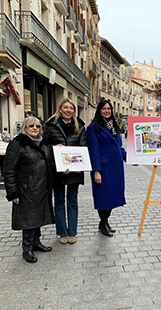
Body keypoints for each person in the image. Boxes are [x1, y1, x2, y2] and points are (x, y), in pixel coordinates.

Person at [3, 117, 55, 263]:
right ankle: (27, 249)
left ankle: (36, 242)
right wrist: (12, 192)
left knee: (38, 215)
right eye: (31, 125)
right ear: (24, 127)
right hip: (26, 188)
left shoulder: (44, 144)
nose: (35, 128)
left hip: (42, 187)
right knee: (28, 218)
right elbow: (9, 170)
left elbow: (50, 162)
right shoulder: (17, 144)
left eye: (38, 126)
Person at [43, 99, 87, 245]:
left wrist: (82, 164)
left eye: (71, 108)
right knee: (59, 201)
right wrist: (55, 146)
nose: (68, 110)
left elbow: (83, 146)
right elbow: (44, 145)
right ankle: (62, 232)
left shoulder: (79, 126)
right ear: (60, 109)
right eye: (65, 107)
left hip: (75, 169)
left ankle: (72, 232)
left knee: (73, 201)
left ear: (74, 110)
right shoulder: (50, 125)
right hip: (57, 169)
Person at [86, 99, 127, 237]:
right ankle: (103, 223)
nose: (107, 111)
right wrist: (96, 171)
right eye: (104, 108)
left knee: (112, 197)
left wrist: (130, 158)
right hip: (103, 169)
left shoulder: (114, 127)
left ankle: (104, 222)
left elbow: (119, 147)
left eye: (109, 108)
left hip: (115, 168)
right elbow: (94, 151)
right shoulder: (93, 128)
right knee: (104, 198)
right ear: (99, 110)